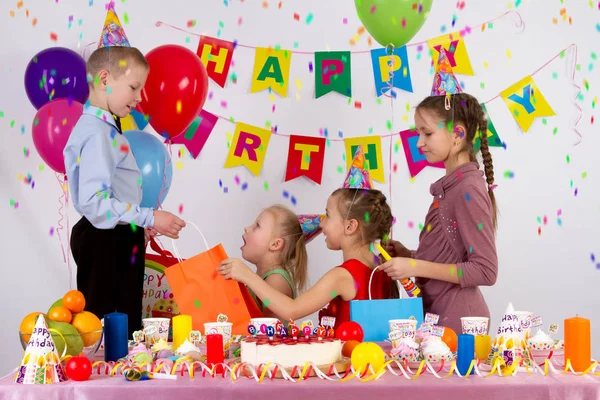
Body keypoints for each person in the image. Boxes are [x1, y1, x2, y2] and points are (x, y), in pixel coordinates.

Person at [64, 37, 184, 336]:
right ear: (104, 79)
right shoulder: (96, 133)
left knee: (126, 323)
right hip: (105, 238)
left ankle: (123, 377)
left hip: (116, 234)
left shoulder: (105, 129)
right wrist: (149, 217)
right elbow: (94, 201)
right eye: (134, 87)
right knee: (109, 327)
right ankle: (110, 381)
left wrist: (137, 225)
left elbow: (114, 193)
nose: (140, 97)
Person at [381, 92, 499, 334]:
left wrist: (414, 266)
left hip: (460, 325)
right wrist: (410, 255)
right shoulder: (453, 186)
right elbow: (452, 257)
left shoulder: (467, 190)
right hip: (440, 319)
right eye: (417, 134)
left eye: (427, 133)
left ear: (457, 134)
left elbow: (485, 270)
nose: (419, 143)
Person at [219, 186, 393, 329]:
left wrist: (246, 275)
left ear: (350, 226)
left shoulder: (342, 276)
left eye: (328, 216)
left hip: (349, 366)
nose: (322, 223)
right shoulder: (384, 266)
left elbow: (291, 310)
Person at [236, 205, 309, 318]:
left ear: (275, 244)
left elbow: (270, 331)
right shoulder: (262, 277)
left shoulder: (276, 280)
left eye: (257, 226)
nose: (247, 228)